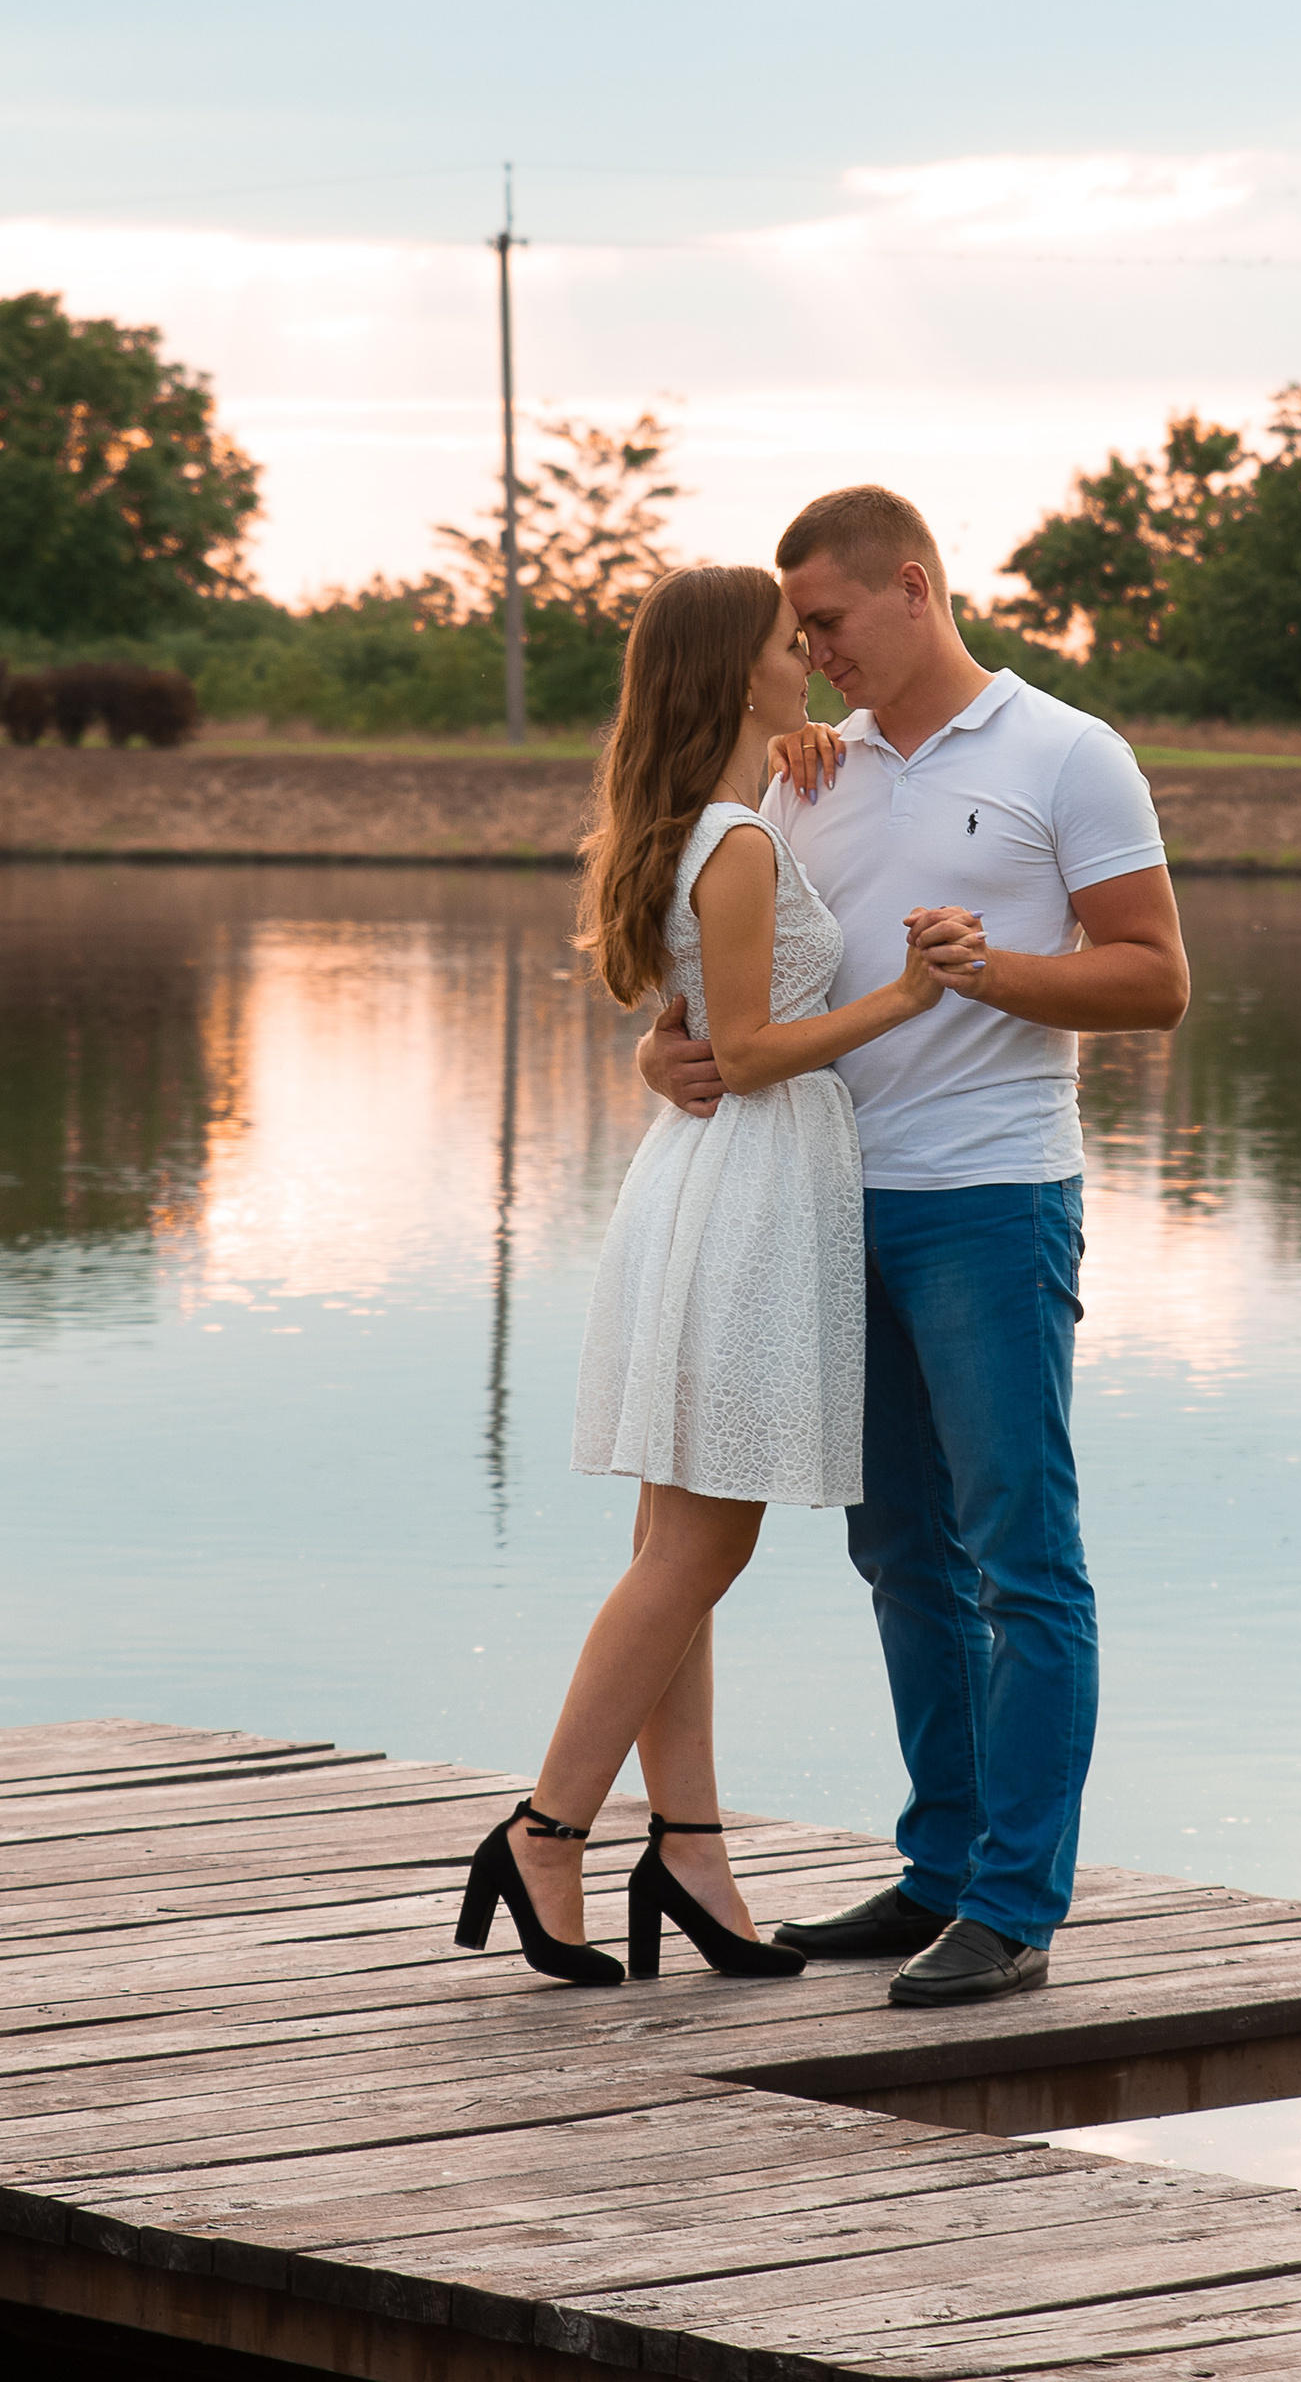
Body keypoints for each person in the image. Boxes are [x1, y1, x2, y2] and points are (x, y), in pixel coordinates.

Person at [638, 484, 1189, 2007]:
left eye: (827, 621)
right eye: (796, 633)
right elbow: (730, 987)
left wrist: (993, 971)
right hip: (821, 1202)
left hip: (992, 1202)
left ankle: (1013, 1908)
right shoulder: (803, 771)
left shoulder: (1069, 755)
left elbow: (1156, 981)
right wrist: (659, 1055)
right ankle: (940, 1871)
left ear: (914, 587)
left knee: (1023, 1558)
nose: (811, 653)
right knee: (897, 1552)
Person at [457, 559, 950, 1989]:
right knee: (699, 1550)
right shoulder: (732, 845)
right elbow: (743, 1050)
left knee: (674, 1551)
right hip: (746, 1192)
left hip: (711, 1184)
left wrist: (799, 763)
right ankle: (548, 1829)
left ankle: (689, 1849)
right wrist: (905, 996)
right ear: (740, 673)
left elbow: (703, 1032)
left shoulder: (712, 823)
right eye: (791, 645)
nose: (811, 661)